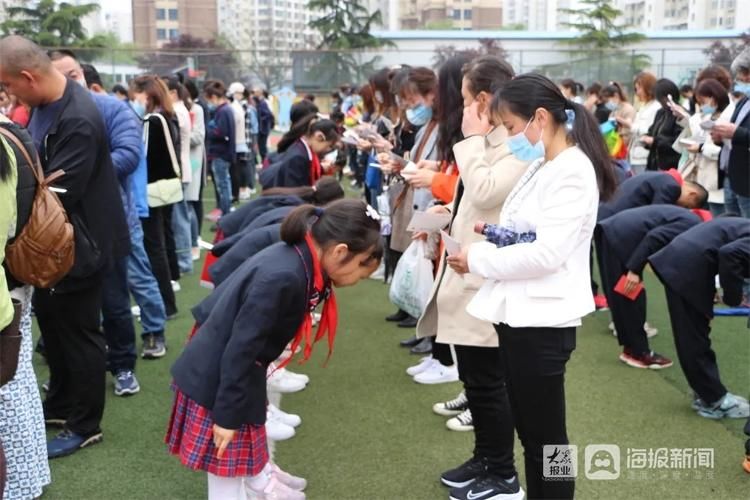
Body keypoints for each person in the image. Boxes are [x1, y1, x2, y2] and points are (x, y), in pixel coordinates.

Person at [446, 73, 617, 500]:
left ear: (539, 117)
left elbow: (546, 253)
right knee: (532, 432)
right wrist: (493, 235)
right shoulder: (546, 163)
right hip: (519, 313)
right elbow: (527, 234)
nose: (508, 135)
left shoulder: (572, 170)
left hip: (543, 320)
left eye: (508, 125)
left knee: (548, 439)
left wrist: (479, 257)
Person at [166, 199, 382, 500]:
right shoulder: (285, 276)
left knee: (236, 459)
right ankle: (255, 484)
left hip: (231, 374)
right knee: (225, 474)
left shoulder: (300, 259)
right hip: (219, 381)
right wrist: (227, 417)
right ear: (340, 251)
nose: (359, 279)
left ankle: (260, 480)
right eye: (362, 268)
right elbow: (241, 350)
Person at [0, 35, 130, 458]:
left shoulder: (78, 117)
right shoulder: (44, 105)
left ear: (26, 76)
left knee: (80, 335)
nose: (9, 96)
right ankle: (59, 403)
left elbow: (55, 195)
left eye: (9, 86)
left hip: (79, 246)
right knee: (54, 332)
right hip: (56, 247)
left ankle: (85, 423)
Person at [414, 54, 526, 453]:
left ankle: (500, 472)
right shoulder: (496, 142)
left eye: (464, 100)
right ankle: (487, 464)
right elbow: (474, 200)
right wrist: (443, 216)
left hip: (492, 282)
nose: (460, 109)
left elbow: (485, 190)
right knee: (480, 382)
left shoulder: (518, 145)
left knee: (494, 387)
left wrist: (473, 139)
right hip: (474, 275)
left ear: (482, 101)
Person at [50, 50, 148, 393]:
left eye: (73, 74)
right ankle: (69, 374)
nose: (70, 83)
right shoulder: (44, 112)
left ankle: (123, 366)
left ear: (82, 74)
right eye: (62, 76)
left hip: (106, 226)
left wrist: (80, 171)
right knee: (67, 310)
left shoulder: (109, 108)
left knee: (115, 302)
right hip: (59, 231)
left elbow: (130, 153)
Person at [649, 218, 750, 419]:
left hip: (687, 259)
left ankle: (705, 394)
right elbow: (730, 253)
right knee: (693, 336)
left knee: (693, 332)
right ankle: (714, 400)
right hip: (688, 265)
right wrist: (734, 298)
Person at [0, 116, 51, 498]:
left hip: (7, 285)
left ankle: (20, 484)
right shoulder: (13, 133)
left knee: (8, 389)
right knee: (17, 382)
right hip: (16, 279)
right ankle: (28, 477)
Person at [597, 205, 706, 369]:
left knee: (624, 297)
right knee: (631, 297)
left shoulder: (685, 218)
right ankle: (639, 353)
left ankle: (631, 349)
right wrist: (634, 270)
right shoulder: (691, 225)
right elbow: (654, 238)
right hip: (620, 238)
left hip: (612, 232)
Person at [131, 75, 181, 327]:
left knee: (154, 248)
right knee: (159, 244)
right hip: (163, 190)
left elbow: (141, 156)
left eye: (136, 95)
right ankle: (165, 301)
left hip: (151, 190)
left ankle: (163, 302)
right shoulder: (168, 116)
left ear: (146, 95)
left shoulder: (152, 120)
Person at [674, 78, 729, 215]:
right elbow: (698, 135)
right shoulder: (706, 117)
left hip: (716, 180)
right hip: (700, 178)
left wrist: (701, 148)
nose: (703, 106)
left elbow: (724, 151)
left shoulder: (727, 119)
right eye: (700, 103)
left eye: (704, 102)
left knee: (717, 215)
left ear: (715, 97)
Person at [712, 48, 750, 218]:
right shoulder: (744, 101)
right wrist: (721, 136)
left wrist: (737, 133)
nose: (742, 79)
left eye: (745, 73)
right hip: (735, 178)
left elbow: (740, 133)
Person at [164, 76, 194, 276]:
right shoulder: (181, 109)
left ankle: (184, 260)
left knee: (179, 218)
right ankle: (184, 258)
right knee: (180, 216)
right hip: (181, 169)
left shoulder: (177, 111)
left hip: (178, 171)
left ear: (173, 92)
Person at [263, 115, 339, 188]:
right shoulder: (298, 158)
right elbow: (295, 192)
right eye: (329, 146)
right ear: (319, 137)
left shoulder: (304, 149)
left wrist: (321, 168)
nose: (328, 150)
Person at [204, 80, 236, 215]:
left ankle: (225, 215)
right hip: (224, 153)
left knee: (222, 187)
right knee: (224, 186)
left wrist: (208, 129)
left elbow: (221, 132)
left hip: (220, 154)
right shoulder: (226, 109)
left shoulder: (222, 111)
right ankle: (225, 213)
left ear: (214, 97)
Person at [184, 80, 206, 261]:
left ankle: (193, 243)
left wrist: (180, 134)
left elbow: (198, 136)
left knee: (190, 203)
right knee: (188, 204)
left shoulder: (195, 110)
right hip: (183, 162)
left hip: (192, 162)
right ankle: (190, 242)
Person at [622, 71, 660, 175]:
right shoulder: (644, 106)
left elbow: (650, 131)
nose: (637, 92)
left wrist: (630, 125)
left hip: (644, 156)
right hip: (634, 155)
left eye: (638, 88)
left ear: (648, 88)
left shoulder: (656, 107)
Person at [642, 78, 684, 171]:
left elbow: (679, 141)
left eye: (662, 98)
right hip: (654, 163)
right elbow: (652, 131)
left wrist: (656, 141)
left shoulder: (681, 114)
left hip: (671, 165)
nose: (662, 101)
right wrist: (646, 139)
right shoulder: (661, 112)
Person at [227, 82, 251, 202]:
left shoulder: (238, 107)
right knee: (241, 167)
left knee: (239, 168)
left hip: (240, 141)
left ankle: (242, 189)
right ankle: (243, 189)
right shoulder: (239, 106)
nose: (240, 95)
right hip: (242, 141)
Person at [255, 89, 275, 161]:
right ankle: (265, 162)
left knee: (262, 148)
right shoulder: (261, 103)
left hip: (263, 129)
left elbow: (268, 114)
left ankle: (266, 162)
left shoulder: (263, 103)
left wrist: (261, 119)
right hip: (263, 128)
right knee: (262, 147)